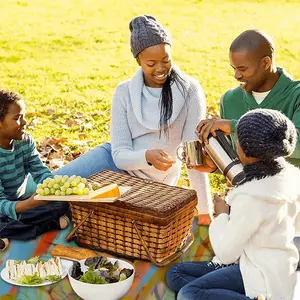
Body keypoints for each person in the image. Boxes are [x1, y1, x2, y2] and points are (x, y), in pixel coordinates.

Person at [52, 15, 213, 225]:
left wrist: (204, 211)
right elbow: (119, 155)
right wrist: (146, 156)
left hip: (149, 185)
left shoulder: (190, 90)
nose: (160, 68)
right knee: (49, 188)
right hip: (113, 163)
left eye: (166, 59)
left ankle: (61, 217)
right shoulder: (125, 92)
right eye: (151, 63)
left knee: (86, 213)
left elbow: (193, 156)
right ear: (138, 61)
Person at [166, 108, 300, 300]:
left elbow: (226, 252)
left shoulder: (252, 197)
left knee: (188, 293)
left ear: (244, 151)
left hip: (260, 276)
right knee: (175, 274)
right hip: (273, 266)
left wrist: (222, 215)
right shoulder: (291, 178)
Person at [196, 29, 300, 259]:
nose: (236, 76)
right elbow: (242, 159)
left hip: (288, 209)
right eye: (233, 68)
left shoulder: (296, 95)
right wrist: (215, 165)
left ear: (265, 63)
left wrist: (235, 125)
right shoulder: (230, 99)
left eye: (242, 69)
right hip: (247, 205)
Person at [0, 90, 70, 251]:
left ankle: (11, 232)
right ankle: (46, 224)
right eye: (17, 118)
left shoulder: (25, 141)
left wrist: (55, 189)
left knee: (63, 203)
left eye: (23, 116)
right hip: (5, 207)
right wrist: (29, 204)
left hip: (20, 200)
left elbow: (40, 171)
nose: (24, 122)